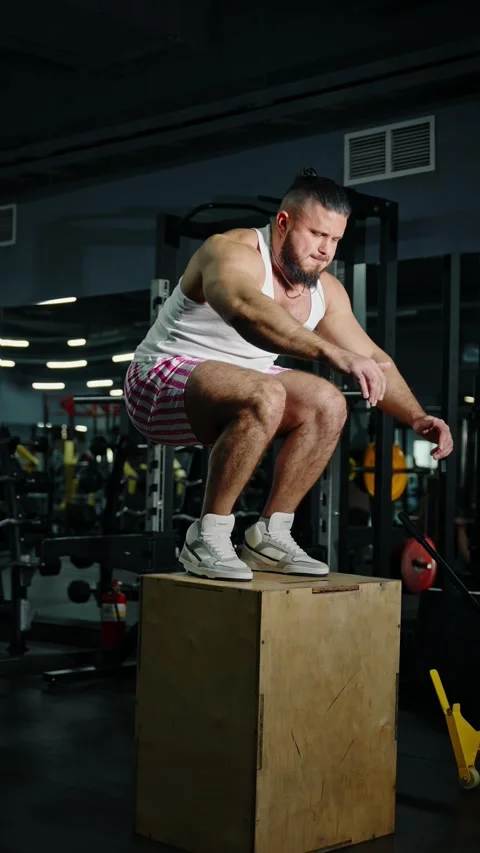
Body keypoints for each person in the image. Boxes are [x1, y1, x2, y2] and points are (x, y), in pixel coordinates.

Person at [125, 168, 453, 581]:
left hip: (243, 381)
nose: (325, 251)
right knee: (266, 393)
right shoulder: (230, 251)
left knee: (328, 402)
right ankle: (205, 536)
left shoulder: (325, 291)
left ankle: (270, 535)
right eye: (317, 235)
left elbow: (370, 355)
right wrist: (332, 353)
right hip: (157, 382)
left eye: (335, 240)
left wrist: (416, 416)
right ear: (283, 223)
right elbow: (246, 310)